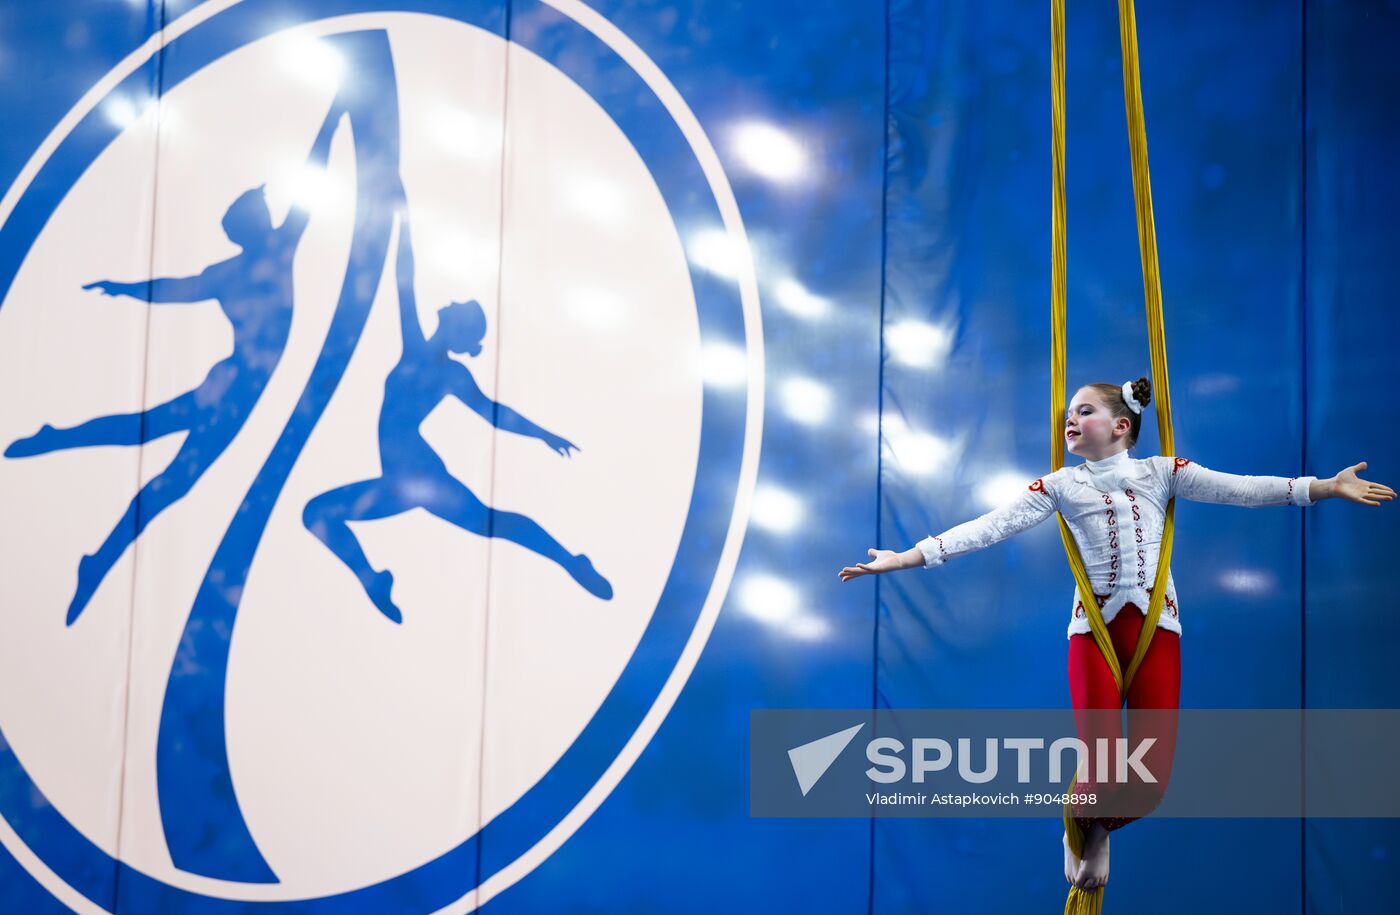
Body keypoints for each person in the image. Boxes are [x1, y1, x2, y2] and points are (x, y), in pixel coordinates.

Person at [838, 377, 1394, 891]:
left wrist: (1323, 487)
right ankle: (1087, 829)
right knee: (1102, 767)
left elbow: (1242, 489)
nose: (1068, 422)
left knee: (1149, 787)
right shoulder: (1058, 485)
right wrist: (907, 558)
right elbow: (989, 526)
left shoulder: (1162, 472)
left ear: (1121, 424)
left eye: (1083, 411)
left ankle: (1093, 827)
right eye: (1065, 415)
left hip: (1157, 630)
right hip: (1093, 636)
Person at [4, 100, 347, 624]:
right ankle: (87, 528)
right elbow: (172, 289)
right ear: (249, 226)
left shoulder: (262, 254)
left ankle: (70, 477)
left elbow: (311, 176)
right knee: (165, 473)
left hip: (232, 385)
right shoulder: (265, 255)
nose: (270, 212)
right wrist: (124, 288)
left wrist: (333, 118)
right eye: (261, 211)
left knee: (151, 447)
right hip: (234, 391)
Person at [301, 200, 612, 624]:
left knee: (495, 524)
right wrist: (400, 217)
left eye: (458, 305)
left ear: (457, 326)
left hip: (421, 476)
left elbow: (495, 414)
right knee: (318, 513)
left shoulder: (445, 371)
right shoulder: (422, 352)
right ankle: (373, 580)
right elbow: (402, 281)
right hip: (397, 481)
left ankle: (571, 561)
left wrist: (543, 434)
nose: (449, 302)